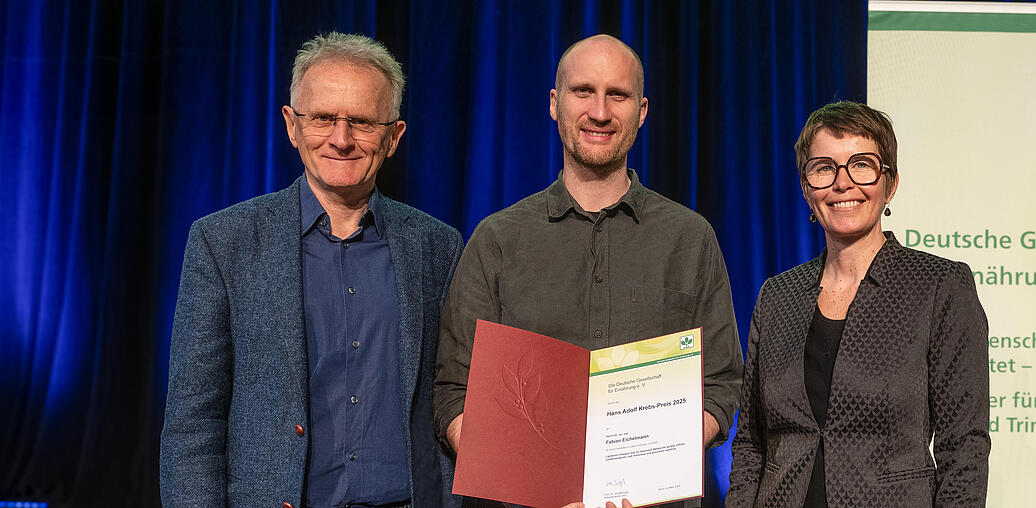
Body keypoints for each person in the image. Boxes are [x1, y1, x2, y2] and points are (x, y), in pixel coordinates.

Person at [433, 34, 744, 507]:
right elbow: (455, 392)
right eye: (583, 91)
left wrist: (643, 476)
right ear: (555, 104)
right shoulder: (497, 240)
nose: (600, 112)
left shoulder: (690, 238)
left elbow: (721, 385)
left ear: (641, 111)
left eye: (616, 95)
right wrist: (526, 482)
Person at [160, 32, 463, 508]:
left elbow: (451, 398)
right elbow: (193, 423)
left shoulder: (437, 247)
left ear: (393, 137)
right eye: (323, 118)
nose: (341, 140)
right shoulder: (224, 243)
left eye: (361, 122)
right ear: (292, 125)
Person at [727, 101, 990, 506]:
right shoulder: (777, 296)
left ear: (891, 182)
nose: (842, 183)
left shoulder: (939, 286)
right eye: (824, 168)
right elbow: (750, 443)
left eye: (862, 164)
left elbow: (964, 448)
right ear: (806, 186)